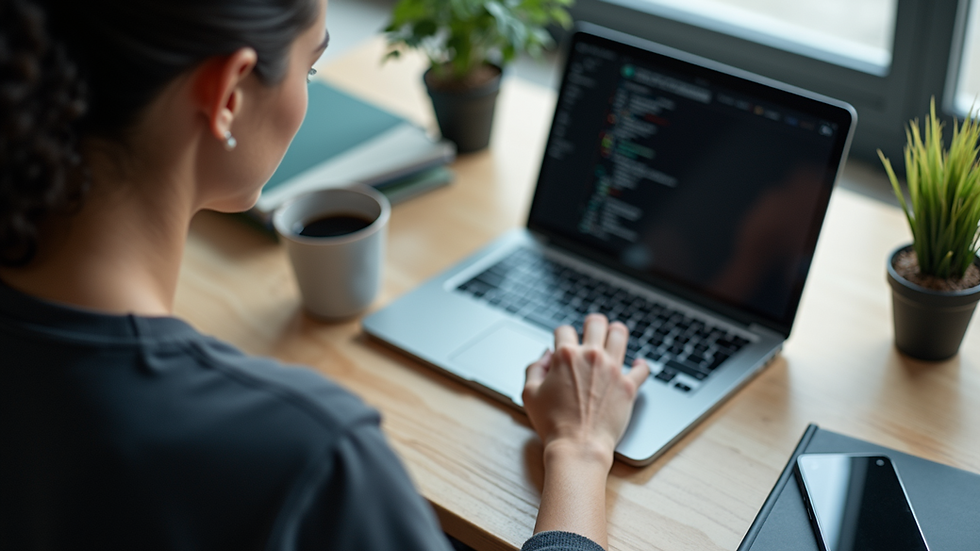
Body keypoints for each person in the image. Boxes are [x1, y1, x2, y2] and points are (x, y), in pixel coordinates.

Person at [0, 0, 650, 549]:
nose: (310, 85)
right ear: (228, 95)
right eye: (311, 65)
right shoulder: (314, 461)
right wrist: (580, 447)